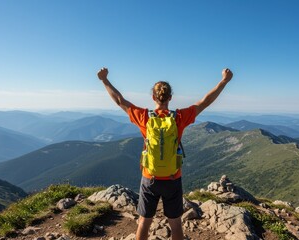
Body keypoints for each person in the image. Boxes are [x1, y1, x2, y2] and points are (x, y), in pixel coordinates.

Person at [97, 67, 233, 240]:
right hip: (173, 178)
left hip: (149, 178)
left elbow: (119, 100)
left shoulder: (144, 117)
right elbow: (205, 102)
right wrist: (224, 81)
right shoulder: (179, 118)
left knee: (144, 222)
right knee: (175, 224)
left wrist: (104, 80)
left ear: (153, 97)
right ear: (170, 98)